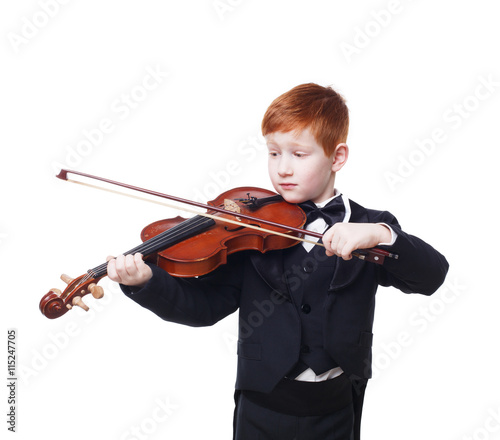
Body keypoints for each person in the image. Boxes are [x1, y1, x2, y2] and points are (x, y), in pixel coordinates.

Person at [107, 83, 449, 439]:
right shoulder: (250, 228)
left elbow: (432, 277)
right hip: (262, 407)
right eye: (273, 153)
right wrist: (146, 282)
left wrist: (380, 233)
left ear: (337, 157)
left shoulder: (369, 227)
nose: (282, 168)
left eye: (298, 155)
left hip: (336, 409)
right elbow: (204, 307)